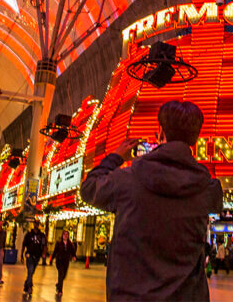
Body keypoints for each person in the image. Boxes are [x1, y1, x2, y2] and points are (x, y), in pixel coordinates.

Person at [80, 100, 223, 302]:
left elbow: (88, 189)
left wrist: (114, 157)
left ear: (161, 132)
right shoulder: (208, 189)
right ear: (195, 138)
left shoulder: (127, 180)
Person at [21, 221, 47, 298]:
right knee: (30, 270)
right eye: (35, 224)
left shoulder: (42, 235)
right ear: (33, 225)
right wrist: (22, 254)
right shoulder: (29, 234)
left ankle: (26, 285)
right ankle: (30, 287)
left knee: (31, 272)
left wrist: (44, 254)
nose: (36, 225)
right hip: (29, 255)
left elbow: (44, 245)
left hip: (37, 256)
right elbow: (24, 244)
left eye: (37, 224)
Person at [51, 229, 77, 297]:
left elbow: (73, 251)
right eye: (64, 234)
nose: (65, 236)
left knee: (64, 276)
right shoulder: (59, 243)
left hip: (66, 262)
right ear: (62, 235)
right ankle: (60, 291)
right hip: (59, 262)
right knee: (61, 275)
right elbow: (55, 251)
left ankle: (58, 285)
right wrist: (51, 259)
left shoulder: (70, 244)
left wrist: (74, 256)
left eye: (67, 235)